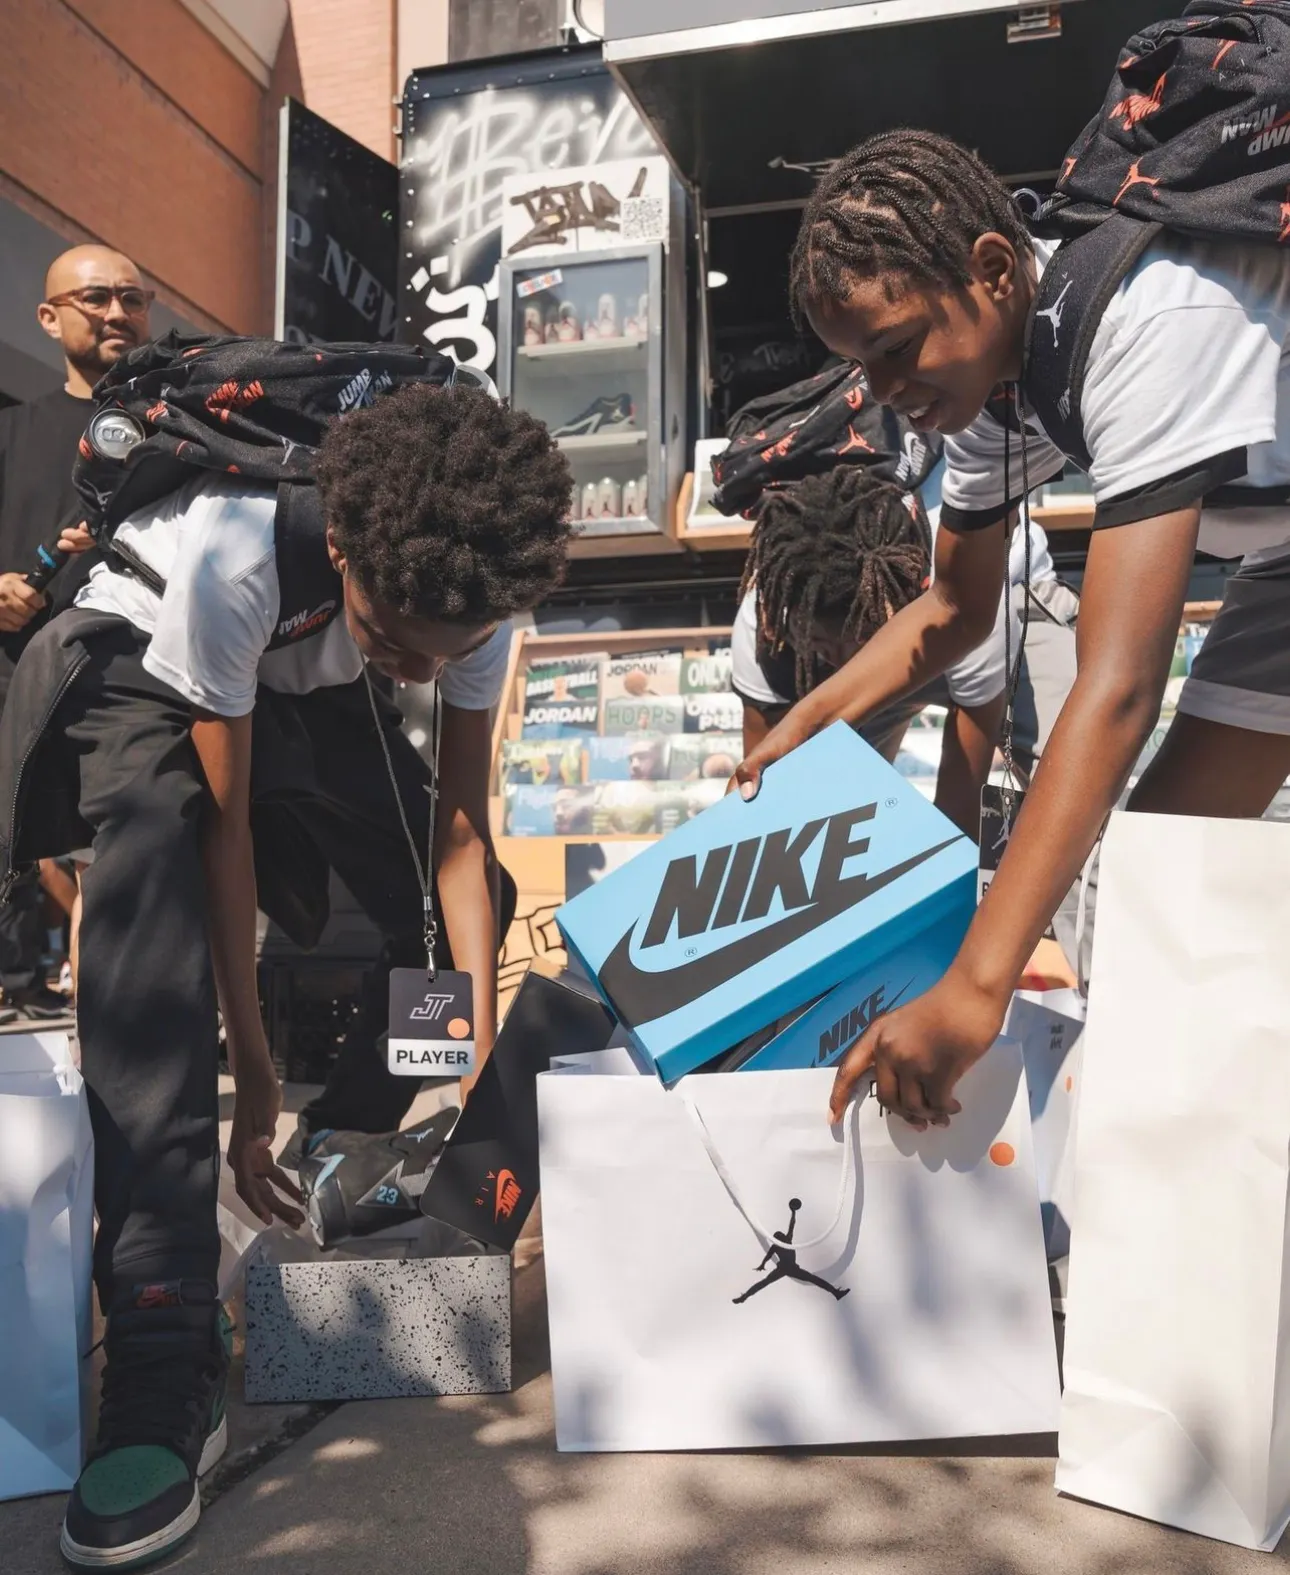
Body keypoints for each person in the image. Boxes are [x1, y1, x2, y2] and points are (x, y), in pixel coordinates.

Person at [0, 379, 571, 1569]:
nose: (419, 670)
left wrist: (468, 1045)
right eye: (397, 642)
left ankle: (338, 1154)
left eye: (445, 654)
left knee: (445, 917)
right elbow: (228, 837)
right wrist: (251, 1076)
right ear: (348, 546)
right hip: (149, 662)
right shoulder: (237, 549)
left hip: (305, 670)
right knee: (154, 885)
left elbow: (461, 834)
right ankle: (163, 1339)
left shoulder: (471, 598)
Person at [733, 128, 1290, 1133]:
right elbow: (955, 609)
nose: (884, 391)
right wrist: (809, 723)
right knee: (1161, 883)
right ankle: (1187, 1157)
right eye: (861, 365)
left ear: (994, 271)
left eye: (896, 348)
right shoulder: (994, 389)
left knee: (1161, 884)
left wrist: (977, 986)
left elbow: (1118, 688)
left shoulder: (1146, 322)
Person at [732, 461, 1059, 839]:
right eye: (820, 646)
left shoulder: (967, 598)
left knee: (1067, 778)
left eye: (860, 642)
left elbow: (961, 802)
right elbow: (765, 809)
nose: (841, 662)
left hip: (1005, 605)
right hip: (907, 625)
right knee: (820, 813)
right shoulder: (765, 624)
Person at [0, 244, 152, 1017]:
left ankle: (118, 1044)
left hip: (140, 692)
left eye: (132, 297)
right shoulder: (13, 432)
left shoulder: (175, 434)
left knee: (128, 884)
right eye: (95, 298)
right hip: (16, 691)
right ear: (48, 317)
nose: (118, 312)